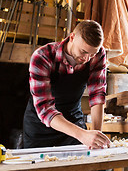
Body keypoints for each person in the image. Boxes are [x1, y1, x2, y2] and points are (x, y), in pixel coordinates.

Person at [23, 20, 111, 149]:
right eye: (83, 52)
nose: (86, 59)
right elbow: (46, 110)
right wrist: (82, 135)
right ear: (72, 37)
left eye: (92, 55)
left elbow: (97, 95)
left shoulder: (98, 55)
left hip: (73, 121)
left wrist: (96, 136)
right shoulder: (42, 57)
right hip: (40, 128)